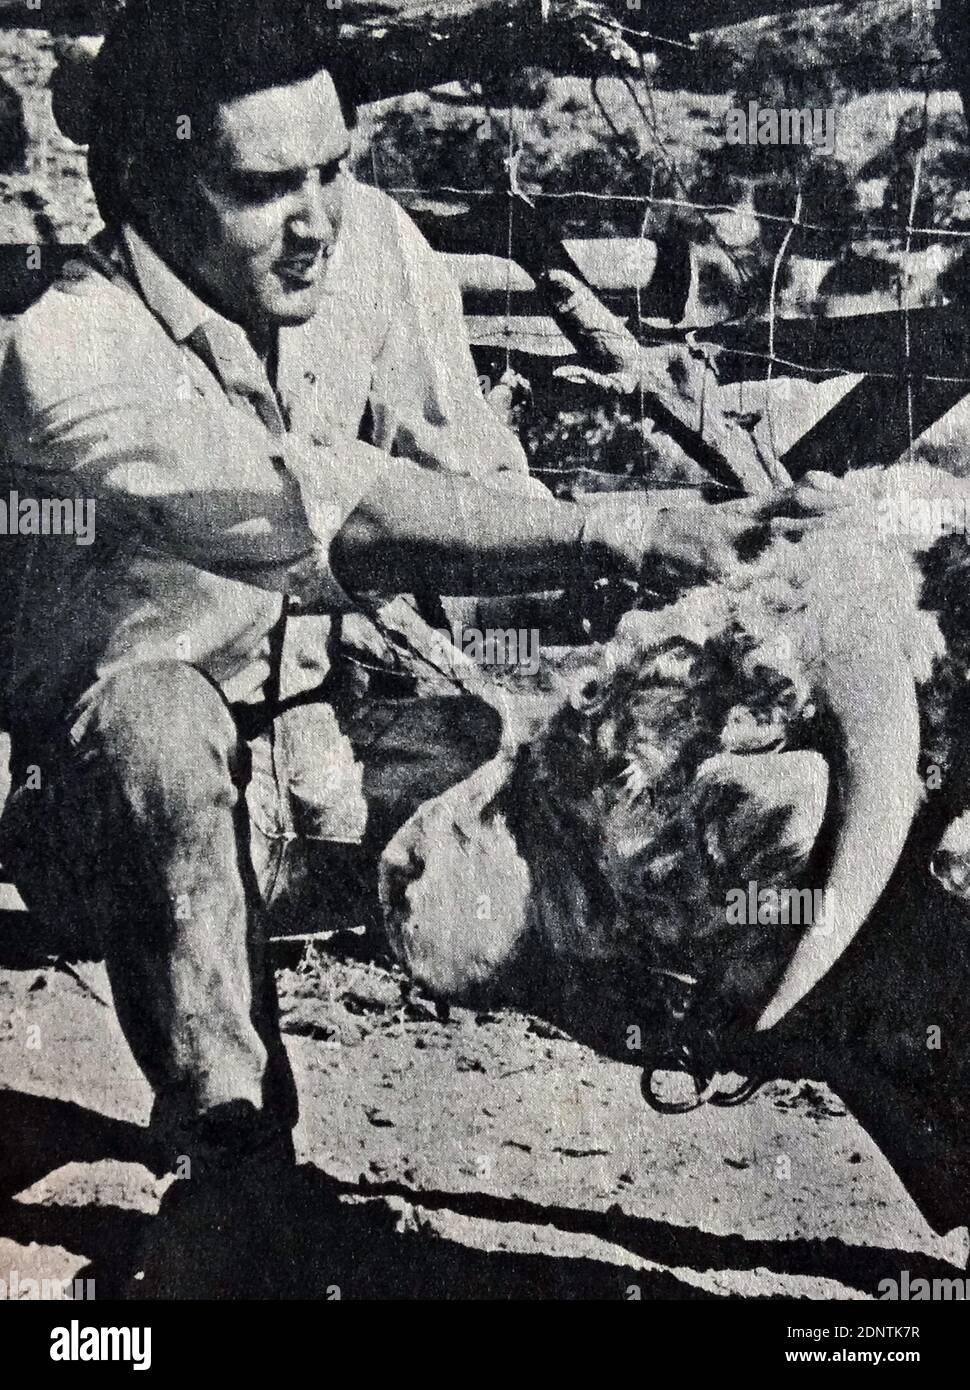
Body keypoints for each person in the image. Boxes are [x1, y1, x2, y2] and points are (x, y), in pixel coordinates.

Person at [0, 0, 758, 1178]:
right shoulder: (66, 346)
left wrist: (702, 647)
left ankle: (894, 1094)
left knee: (627, 802)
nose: (313, 225)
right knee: (160, 713)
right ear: (150, 179)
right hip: (106, 814)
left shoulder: (372, 251)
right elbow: (330, 512)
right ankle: (234, 1151)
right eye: (264, 189)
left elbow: (479, 483)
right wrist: (630, 528)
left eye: (331, 172)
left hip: (337, 762)